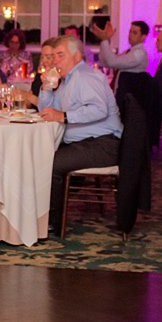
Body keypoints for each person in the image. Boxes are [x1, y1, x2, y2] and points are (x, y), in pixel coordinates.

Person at [39, 35, 123, 228]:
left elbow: (98, 109)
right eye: (54, 56)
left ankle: (51, 222)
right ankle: (45, 215)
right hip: (87, 142)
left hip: (103, 144)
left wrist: (64, 116)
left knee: (50, 163)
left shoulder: (85, 76)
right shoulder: (68, 80)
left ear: (76, 57)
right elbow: (48, 111)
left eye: (60, 55)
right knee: (42, 157)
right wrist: (47, 88)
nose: (55, 60)